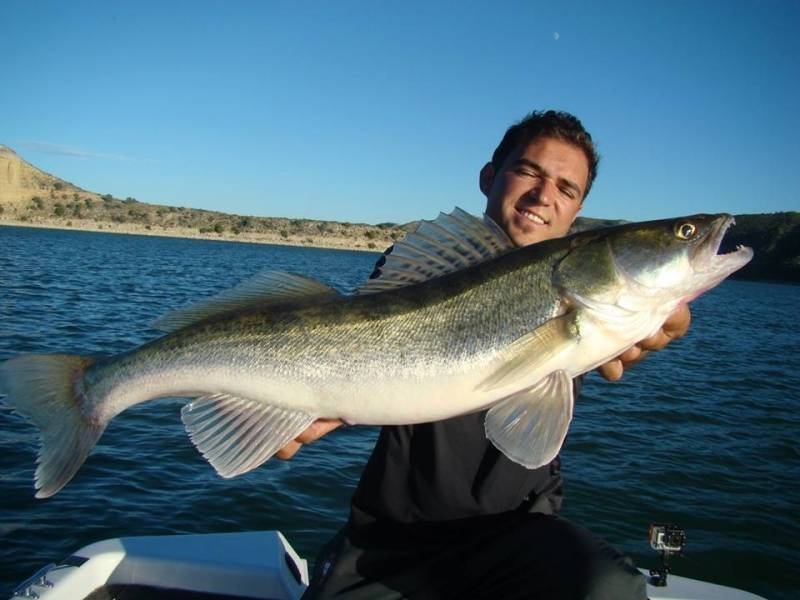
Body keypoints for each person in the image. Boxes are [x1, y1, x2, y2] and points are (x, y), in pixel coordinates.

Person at [282, 110, 692, 599]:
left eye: (567, 188)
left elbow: (660, 321)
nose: (544, 196)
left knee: (609, 589)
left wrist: (667, 317)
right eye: (529, 172)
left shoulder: (593, 296)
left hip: (516, 532)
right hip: (388, 537)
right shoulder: (420, 268)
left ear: (577, 212)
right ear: (488, 177)